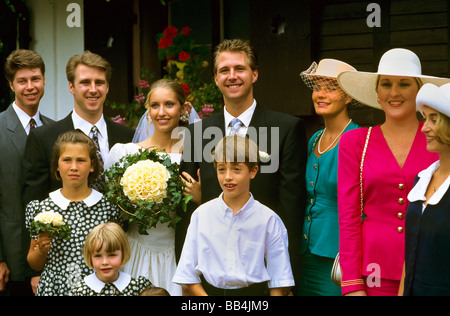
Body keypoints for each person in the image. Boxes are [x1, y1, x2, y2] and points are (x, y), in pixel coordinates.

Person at [179, 39, 307, 281]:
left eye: (240, 68)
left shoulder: (286, 128)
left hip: (264, 266)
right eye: (224, 70)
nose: (232, 76)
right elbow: (187, 207)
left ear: (254, 74)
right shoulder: (197, 133)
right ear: (216, 78)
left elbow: (291, 206)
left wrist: (287, 277)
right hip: (210, 267)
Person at [336, 48, 450, 296]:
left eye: (404, 84)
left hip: (431, 270)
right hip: (374, 270)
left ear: (418, 91)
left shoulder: (439, 139)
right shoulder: (355, 142)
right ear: (377, 93)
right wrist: (353, 285)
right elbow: (348, 218)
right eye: (386, 84)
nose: (394, 92)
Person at [173, 135, 294, 296]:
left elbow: (279, 278)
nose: (228, 176)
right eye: (222, 169)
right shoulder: (201, 215)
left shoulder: (268, 219)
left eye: (236, 169)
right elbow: (187, 274)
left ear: (253, 171)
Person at [104, 79, 194, 296]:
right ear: (148, 110)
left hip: (178, 252)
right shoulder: (124, 153)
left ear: (183, 108)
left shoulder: (194, 154)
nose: (161, 112)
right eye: (155, 105)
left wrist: (198, 196)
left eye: (169, 104)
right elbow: (109, 205)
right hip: (136, 251)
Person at [22, 50, 134, 206]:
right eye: (85, 82)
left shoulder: (128, 137)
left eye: (99, 82)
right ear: (71, 87)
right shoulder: (43, 138)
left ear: (107, 87)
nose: (93, 89)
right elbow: (33, 204)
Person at [25, 130, 119, 296]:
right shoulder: (42, 209)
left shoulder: (107, 207)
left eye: (81, 160)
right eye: (67, 160)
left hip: (97, 286)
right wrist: (41, 250)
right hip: (56, 288)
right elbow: (34, 263)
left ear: (92, 166)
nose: (74, 167)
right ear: (57, 165)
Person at [297, 59, 359, 296]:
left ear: (349, 96)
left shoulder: (358, 139)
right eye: (316, 87)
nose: (320, 94)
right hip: (305, 254)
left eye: (331, 88)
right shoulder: (315, 138)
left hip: (338, 258)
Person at [0, 49, 54, 296]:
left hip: (52, 258)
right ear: (11, 85)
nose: (30, 87)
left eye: (35, 79)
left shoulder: (56, 130)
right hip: (9, 260)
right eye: (22, 81)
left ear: (44, 80)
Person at [399, 83, 450, 296]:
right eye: (425, 118)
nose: (424, 127)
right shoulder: (423, 178)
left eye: (433, 119)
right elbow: (409, 257)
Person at [70, 222, 152, 296]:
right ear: (90, 257)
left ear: (123, 254)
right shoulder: (80, 291)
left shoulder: (138, 287)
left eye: (112, 255)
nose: (105, 262)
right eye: (98, 256)